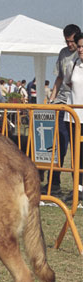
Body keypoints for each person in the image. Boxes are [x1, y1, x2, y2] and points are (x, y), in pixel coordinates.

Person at [45, 24, 81, 195]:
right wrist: (51, 100)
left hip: (75, 104)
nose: (70, 45)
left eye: (72, 42)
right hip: (61, 103)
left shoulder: (80, 55)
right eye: (67, 41)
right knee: (59, 145)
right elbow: (59, 78)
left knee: (76, 147)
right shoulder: (63, 53)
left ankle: (78, 185)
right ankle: (55, 182)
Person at [64, 32, 83, 200]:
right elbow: (68, 82)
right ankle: (77, 187)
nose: (81, 49)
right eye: (80, 46)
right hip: (73, 115)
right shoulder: (73, 63)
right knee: (76, 155)